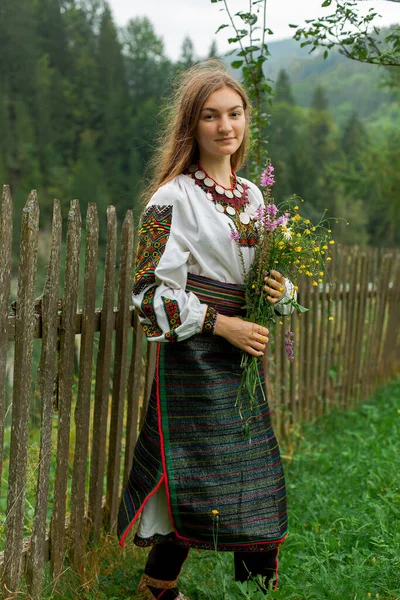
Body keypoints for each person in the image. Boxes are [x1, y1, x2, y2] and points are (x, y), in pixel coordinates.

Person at [117, 60, 296, 600]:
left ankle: (255, 591)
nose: (226, 127)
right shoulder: (169, 199)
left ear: (246, 119)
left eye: (235, 114)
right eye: (211, 116)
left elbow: (257, 280)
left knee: (253, 473)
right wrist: (223, 325)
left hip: (242, 360)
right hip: (194, 357)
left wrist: (281, 295)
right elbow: (147, 295)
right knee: (192, 474)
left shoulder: (254, 198)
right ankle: (158, 589)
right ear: (191, 125)